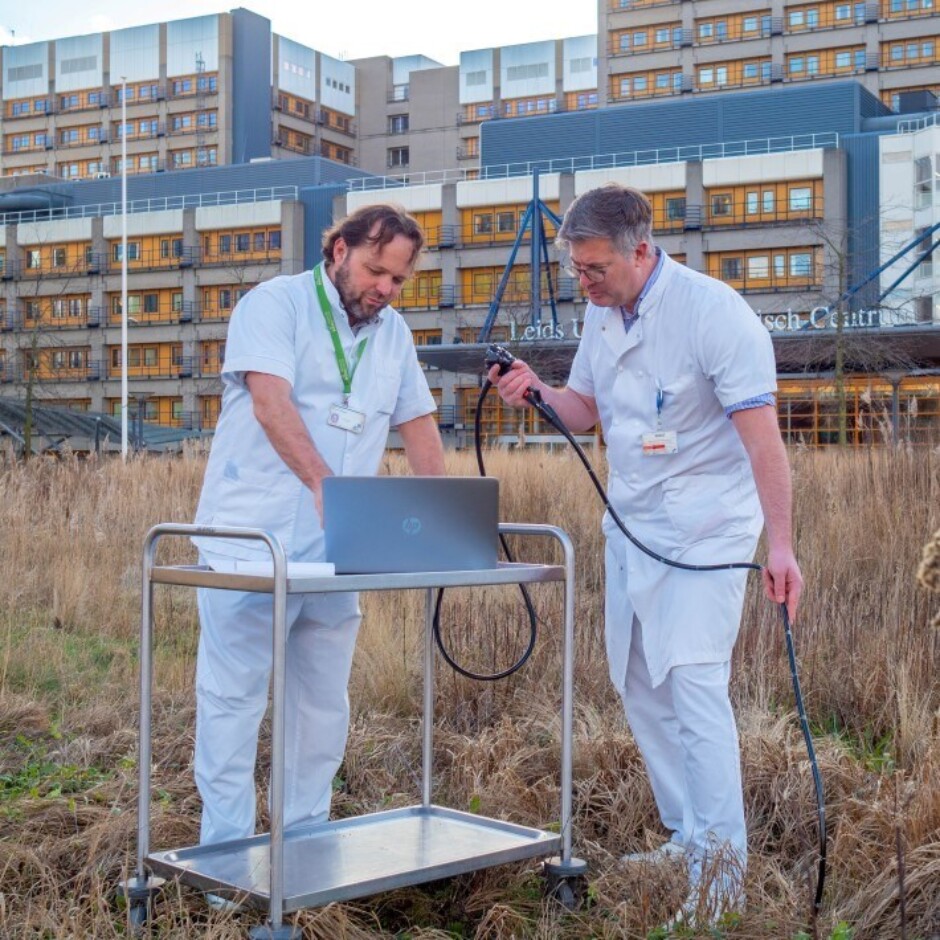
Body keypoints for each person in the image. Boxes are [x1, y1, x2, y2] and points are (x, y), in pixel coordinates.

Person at [489, 183, 802, 926]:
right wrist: (535, 392)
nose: (584, 282)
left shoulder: (714, 314)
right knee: (636, 678)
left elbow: (765, 442)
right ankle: (687, 834)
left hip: (705, 531)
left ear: (641, 250)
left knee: (693, 687)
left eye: (595, 268)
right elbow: (585, 410)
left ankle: (720, 877)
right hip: (632, 525)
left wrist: (782, 546)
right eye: (576, 268)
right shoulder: (602, 315)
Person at [191, 204, 445, 872]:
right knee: (233, 703)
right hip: (251, 542)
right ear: (338, 250)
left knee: (321, 707)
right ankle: (225, 860)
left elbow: (419, 425)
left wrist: (444, 517)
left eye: (398, 280)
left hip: (337, 554)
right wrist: (324, 485)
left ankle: (303, 844)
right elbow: (270, 403)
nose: (384, 289)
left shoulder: (393, 334)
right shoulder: (274, 304)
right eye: (375, 270)